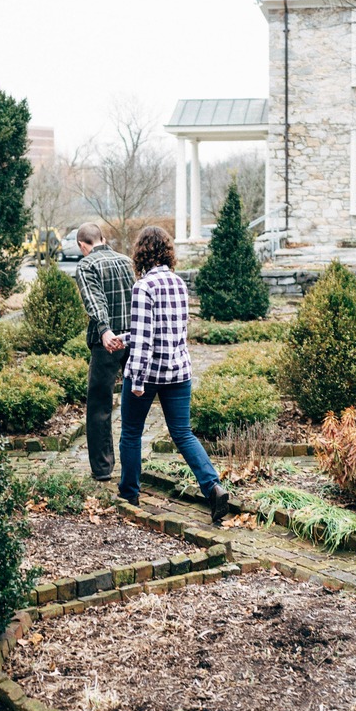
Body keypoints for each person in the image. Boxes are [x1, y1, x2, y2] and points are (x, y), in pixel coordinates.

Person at [116, 225, 231, 524]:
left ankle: (129, 494)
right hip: (179, 371)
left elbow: (145, 340)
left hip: (149, 373)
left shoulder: (143, 287)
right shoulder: (179, 284)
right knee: (182, 433)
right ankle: (213, 487)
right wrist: (124, 337)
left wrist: (137, 380)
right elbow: (165, 331)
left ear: (141, 253)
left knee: (130, 433)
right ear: (166, 251)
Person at [72, 222, 134, 483]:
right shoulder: (126, 261)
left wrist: (105, 329)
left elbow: (94, 300)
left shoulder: (86, 265)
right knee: (135, 400)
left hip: (106, 343)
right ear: (103, 238)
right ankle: (133, 463)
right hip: (134, 338)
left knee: (99, 405)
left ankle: (102, 468)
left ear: (82, 245)